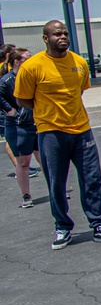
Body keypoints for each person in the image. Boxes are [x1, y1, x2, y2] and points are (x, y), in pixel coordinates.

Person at [15, 20, 101, 249]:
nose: (62, 37)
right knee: (56, 183)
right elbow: (23, 99)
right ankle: (62, 228)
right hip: (50, 133)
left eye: (65, 33)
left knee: (92, 179)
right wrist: (48, 112)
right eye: (57, 34)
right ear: (46, 39)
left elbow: (80, 90)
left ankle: (100, 225)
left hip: (82, 130)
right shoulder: (32, 67)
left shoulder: (80, 63)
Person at [0, 48, 40, 208]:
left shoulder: (32, 76)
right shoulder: (7, 80)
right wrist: (9, 110)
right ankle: (26, 195)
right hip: (19, 126)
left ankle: (56, 190)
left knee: (45, 158)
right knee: (23, 162)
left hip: (36, 123)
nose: (31, 61)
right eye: (26, 58)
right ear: (17, 61)